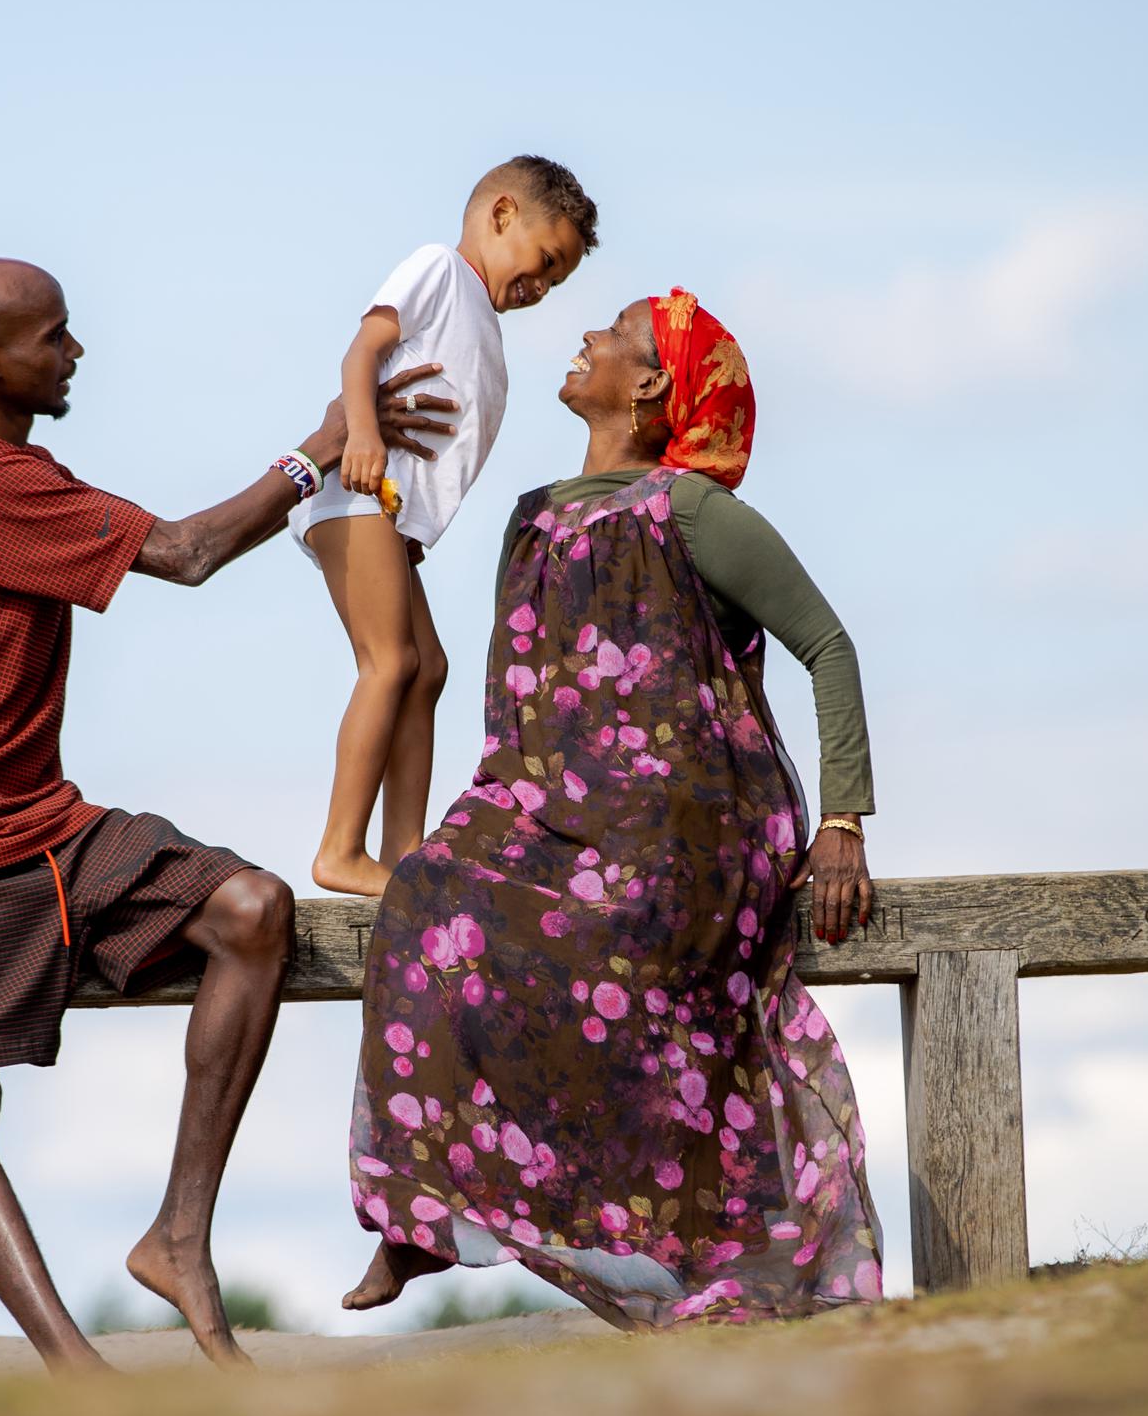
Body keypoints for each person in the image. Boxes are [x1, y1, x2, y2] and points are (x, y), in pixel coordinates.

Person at [0, 257, 454, 1372]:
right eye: (55, 337)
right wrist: (319, 447)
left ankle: (177, 1237)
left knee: (254, 910)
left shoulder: (13, 474)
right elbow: (187, 551)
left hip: (45, 822)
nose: (76, 352)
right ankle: (78, 1370)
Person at [342, 287, 886, 1329]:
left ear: (647, 388)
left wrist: (845, 820)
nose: (587, 336)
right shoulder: (535, 517)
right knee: (422, 892)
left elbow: (831, 646)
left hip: (689, 819)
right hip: (555, 807)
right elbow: (522, 701)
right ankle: (415, 1214)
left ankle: (673, 1237)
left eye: (618, 337)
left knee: (604, 942)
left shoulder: (693, 512)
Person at [289, 156, 599, 899]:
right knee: (389, 663)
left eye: (555, 282)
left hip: (389, 520)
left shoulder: (479, 318)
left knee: (428, 668)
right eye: (543, 260)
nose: (540, 287)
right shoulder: (439, 270)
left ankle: (406, 852)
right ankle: (340, 850)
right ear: (500, 215)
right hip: (358, 491)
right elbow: (363, 348)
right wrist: (362, 435)